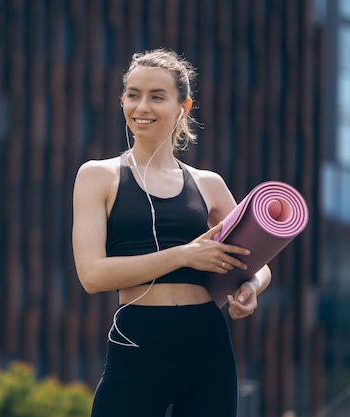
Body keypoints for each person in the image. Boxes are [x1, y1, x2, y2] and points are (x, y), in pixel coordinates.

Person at [71, 48, 272, 417]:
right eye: (133, 94)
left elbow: (258, 261)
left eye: (157, 97)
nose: (141, 107)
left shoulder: (208, 184)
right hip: (136, 342)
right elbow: (92, 275)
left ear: (184, 106)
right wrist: (184, 254)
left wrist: (251, 288)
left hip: (207, 345)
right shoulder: (98, 176)